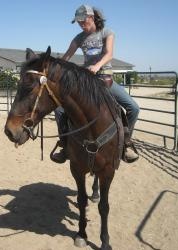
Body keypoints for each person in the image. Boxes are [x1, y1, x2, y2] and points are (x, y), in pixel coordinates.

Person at [52, 4, 140, 163]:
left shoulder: (107, 32)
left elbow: (109, 54)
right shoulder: (78, 38)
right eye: (78, 22)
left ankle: (125, 143)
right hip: (86, 80)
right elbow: (66, 56)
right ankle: (65, 146)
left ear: (91, 17)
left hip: (104, 77)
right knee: (59, 110)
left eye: (82, 20)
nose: (80, 24)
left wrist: (98, 66)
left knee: (133, 107)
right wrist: (54, 68)